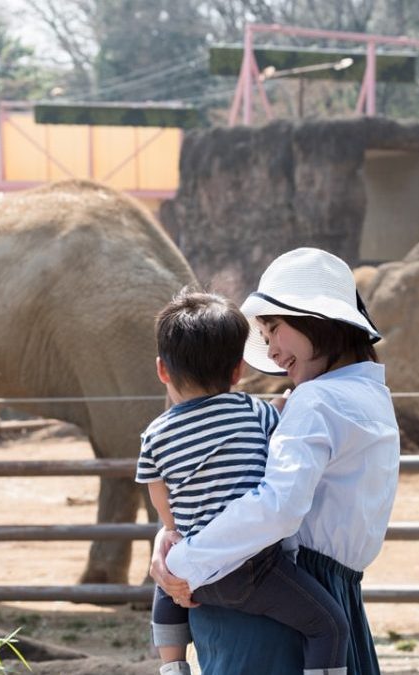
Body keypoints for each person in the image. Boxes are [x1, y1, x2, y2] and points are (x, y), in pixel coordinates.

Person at [150, 248, 400, 675]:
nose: (273, 352)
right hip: (325, 595)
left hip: (270, 608)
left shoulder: (317, 400)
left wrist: (183, 557)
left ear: (314, 318)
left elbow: (277, 506)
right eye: (264, 338)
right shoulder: (370, 396)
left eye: (274, 330)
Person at [138, 288, 352, 675]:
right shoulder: (254, 412)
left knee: (167, 579)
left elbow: (158, 489)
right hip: (255, 572)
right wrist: (283, 408)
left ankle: (172, 666)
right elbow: (279, 449)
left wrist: (171, 528)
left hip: (194, 578)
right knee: (329, 626)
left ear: (161, 369)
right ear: (238, 369)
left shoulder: (155, 434)